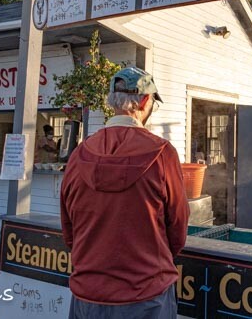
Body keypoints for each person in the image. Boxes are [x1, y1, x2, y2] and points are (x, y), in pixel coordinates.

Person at [60, 67, 189, 319]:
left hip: (87, 296)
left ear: (112, 101)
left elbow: (69, 228)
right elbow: (178, 226)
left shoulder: (79, 154)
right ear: (145, 100)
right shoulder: (163, 153)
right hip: (147, 296)